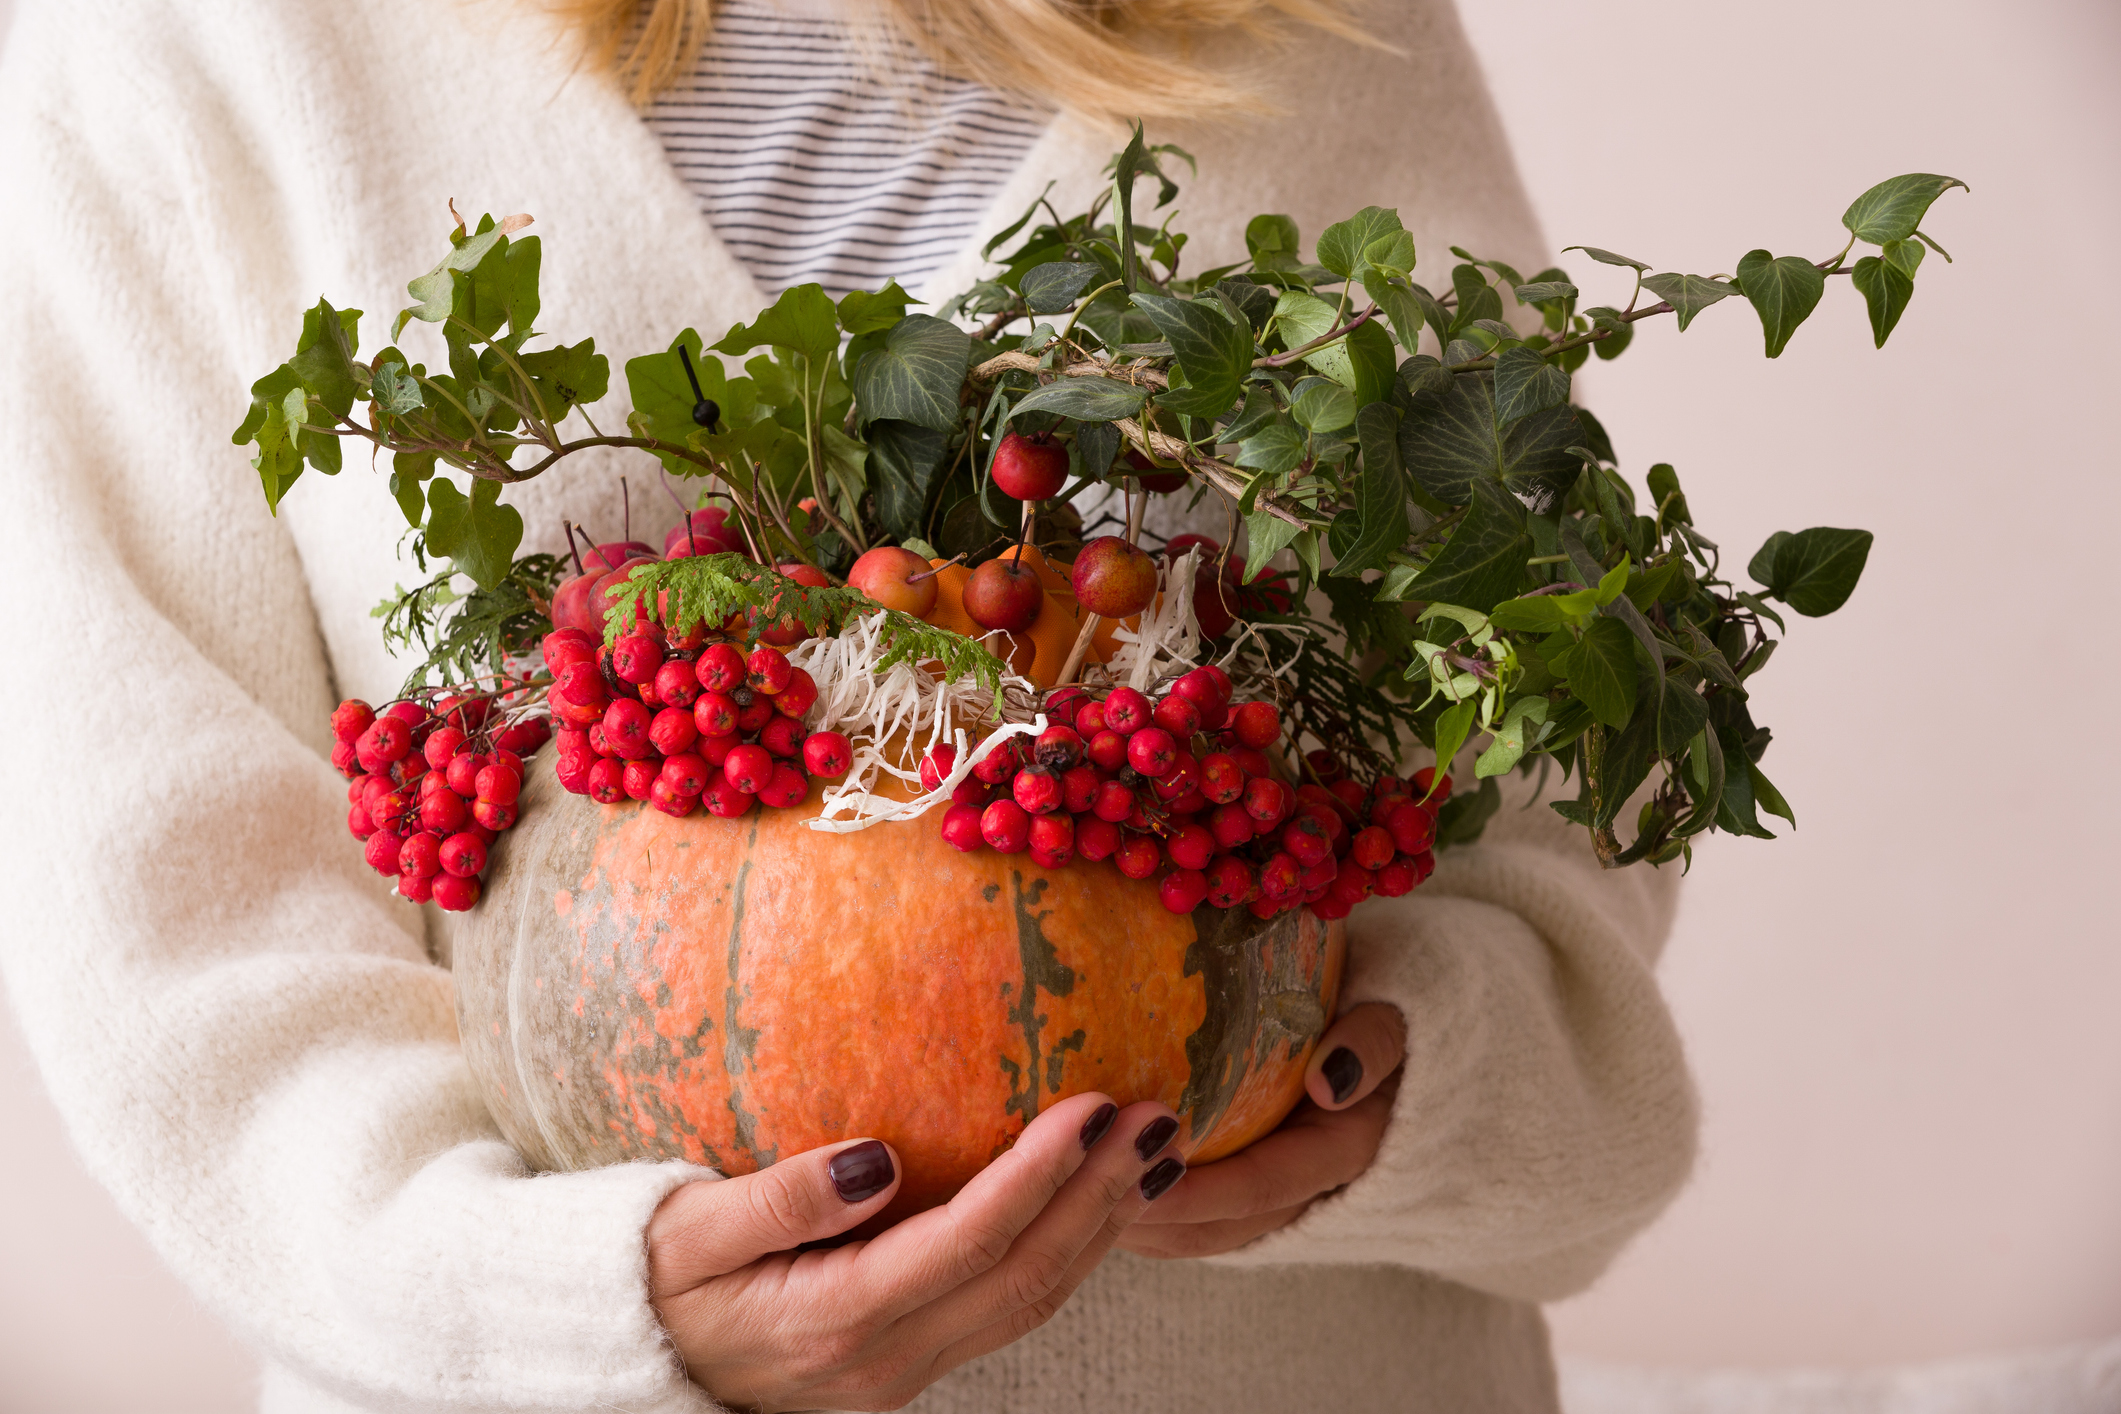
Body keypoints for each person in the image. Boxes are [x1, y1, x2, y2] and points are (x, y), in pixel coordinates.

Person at [0, 0, 1698, 1409]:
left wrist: (1391, 1076)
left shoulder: (1307, 24)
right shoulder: (195, 42)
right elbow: (168, 896)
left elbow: (1545, 755)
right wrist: (566, 1303)